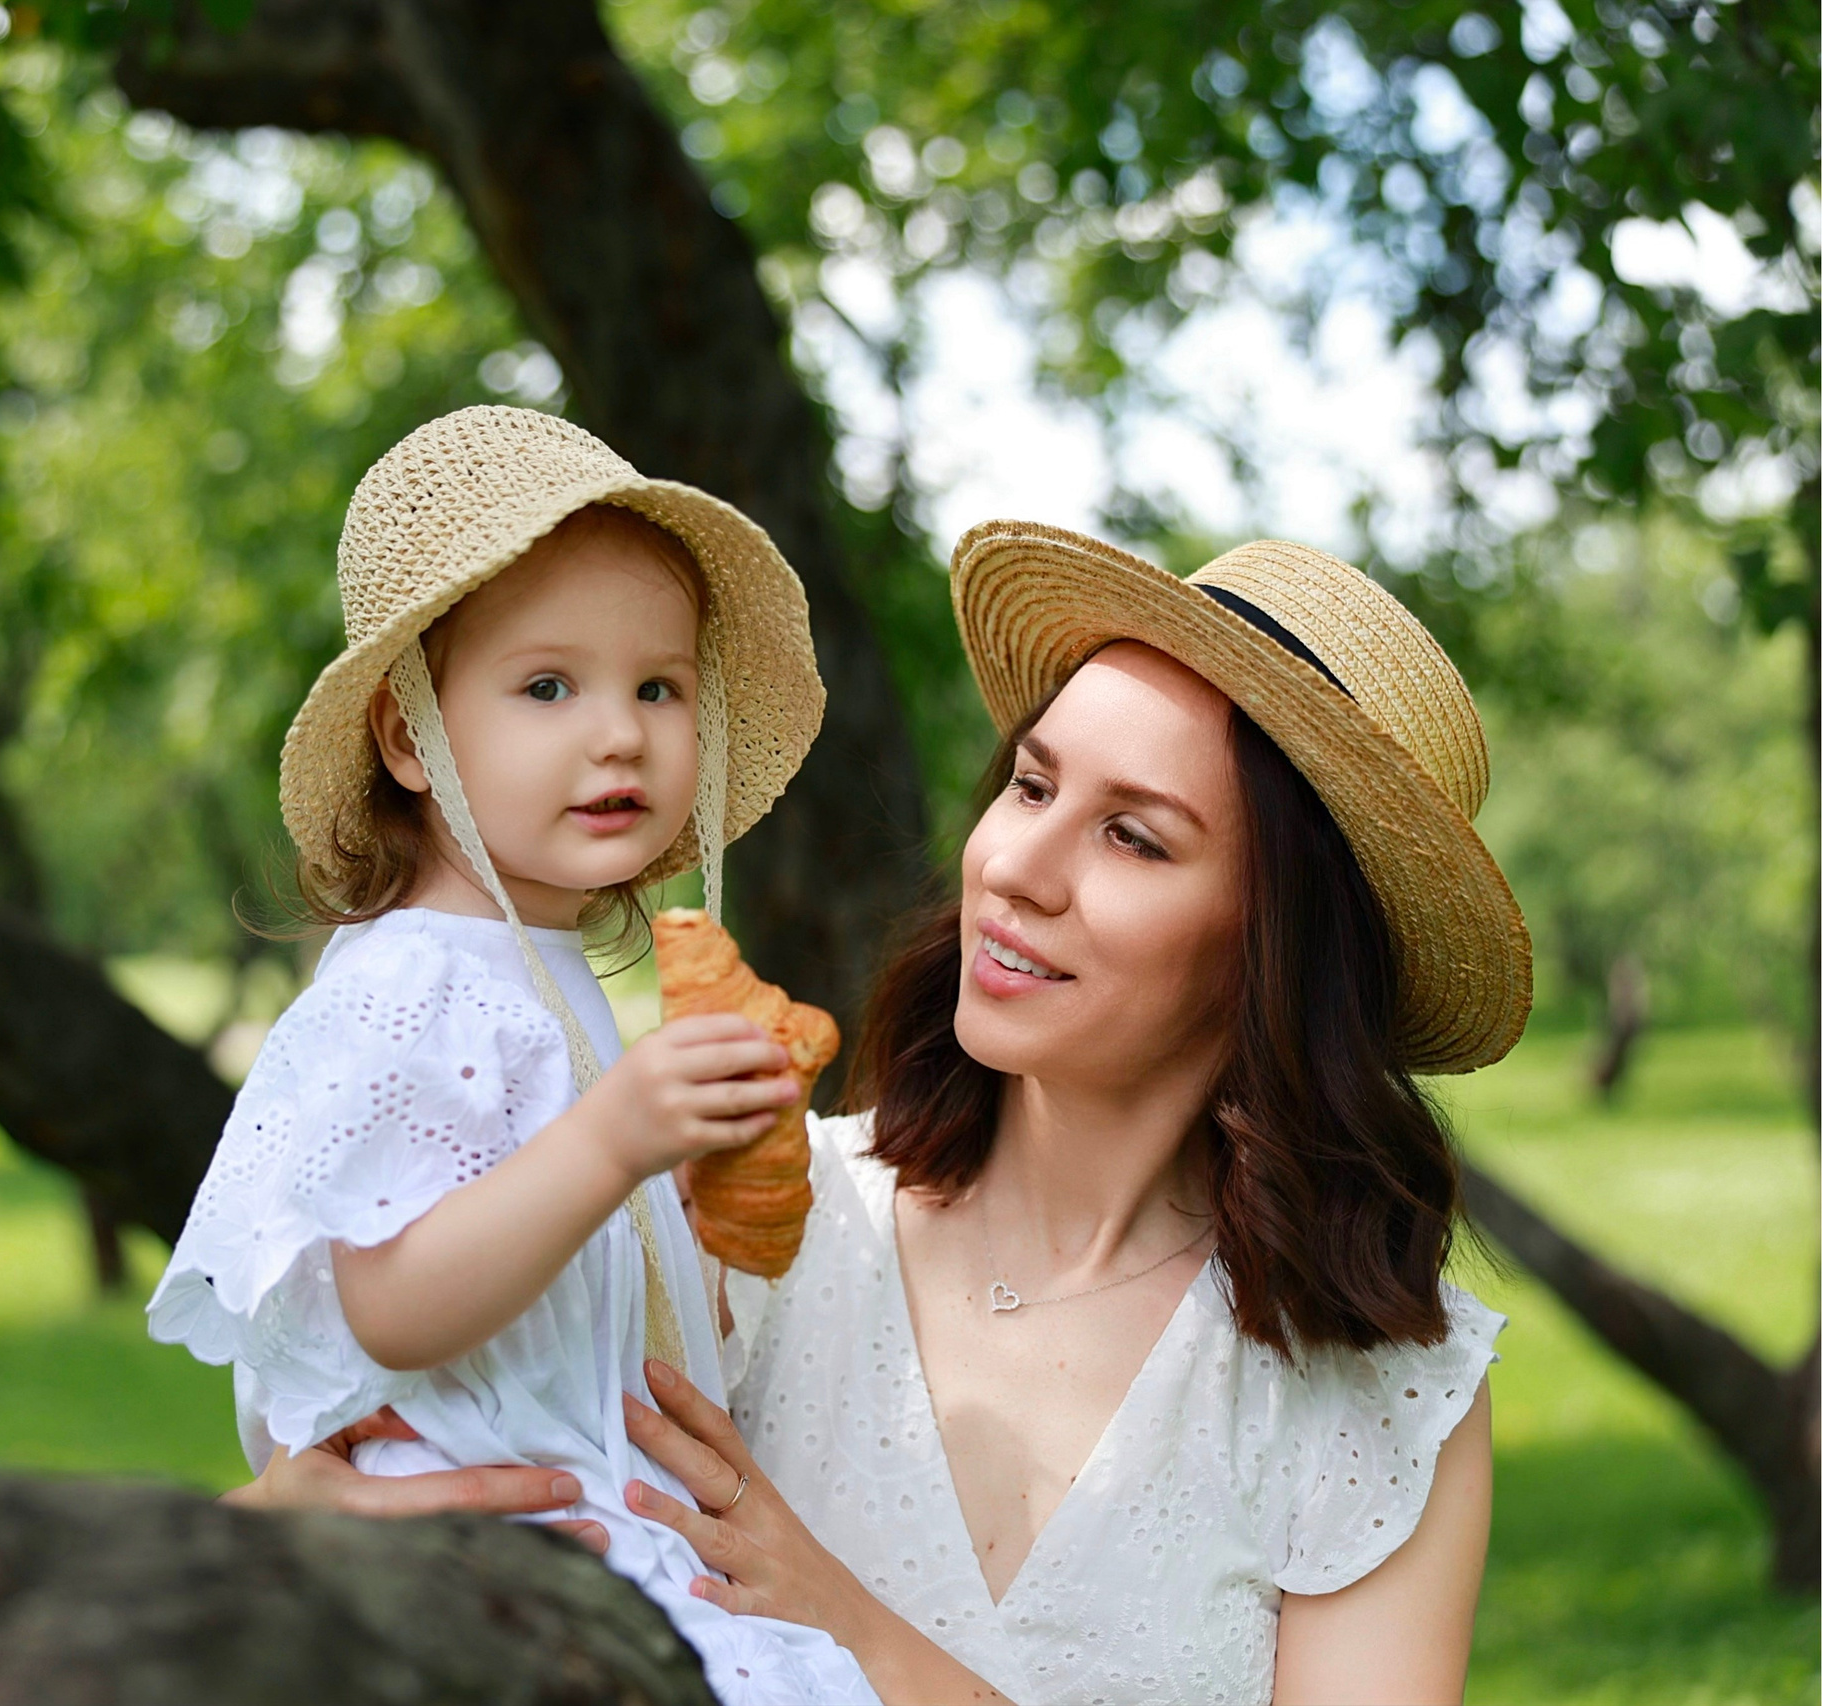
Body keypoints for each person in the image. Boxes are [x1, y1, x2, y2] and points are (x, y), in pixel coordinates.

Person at [226, 520, 1532, 1706]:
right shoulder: (749, 1231)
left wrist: (857, 1631)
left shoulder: (1375, 1395)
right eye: (1030, 786)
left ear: (1278, 947)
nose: (1016, 867)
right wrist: (287, 1519)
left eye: (1133, 836)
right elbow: (449, 1424)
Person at [146, 406, 881, 1704]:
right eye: (549, 686)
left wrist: (702, 1223)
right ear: (406, 739)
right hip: (474, 1526)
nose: (619, 735)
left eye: (657, 686)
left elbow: (600, 1284)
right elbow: (388, 1303)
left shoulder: (581, 984)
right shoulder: (408, 981)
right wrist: (611, 1143)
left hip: (609, 1517)